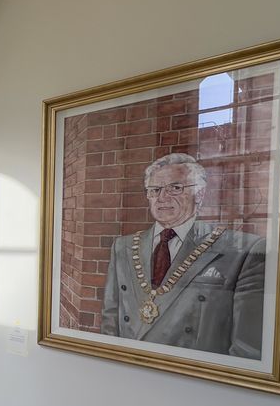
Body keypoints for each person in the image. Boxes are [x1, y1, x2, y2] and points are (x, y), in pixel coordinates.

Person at [101, 153, 265, 360]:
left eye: (175, 188)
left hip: (190, 375)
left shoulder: (244, 251)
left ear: (200, 194)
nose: (162, 198)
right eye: (155, 190)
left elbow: (246, 349)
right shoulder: (123, 246)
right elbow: (110, 317)